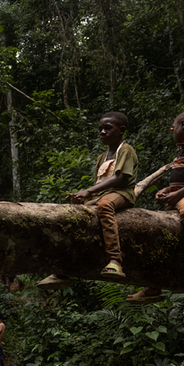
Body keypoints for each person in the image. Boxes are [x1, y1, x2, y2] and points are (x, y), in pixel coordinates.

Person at [127, 110, 184, 303]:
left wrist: (179, 194)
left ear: (183, 125)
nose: (172, 130)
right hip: (179, 196)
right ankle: (153, 284)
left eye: (173, 127)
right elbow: (181, 180)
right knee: (160, 231)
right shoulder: (180, 151)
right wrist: (167, 191)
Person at [66, 112, 139, 279]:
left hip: (122, 193)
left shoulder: (126, 150)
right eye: (100, 129)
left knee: (105, 205)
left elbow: (119, 178)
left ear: (121, 130)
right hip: (101, 196)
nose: (102, 132)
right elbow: (99, 185)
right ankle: (64, 269)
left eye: (108, 128)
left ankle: (115, 260)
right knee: (74, 215)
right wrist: (83, 197)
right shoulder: (101, 157)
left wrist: (88, 191)